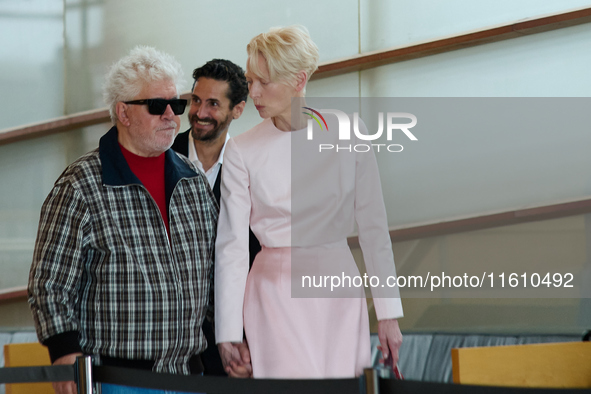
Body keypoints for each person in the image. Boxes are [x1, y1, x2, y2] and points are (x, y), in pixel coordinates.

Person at [215, 26, 404, 379]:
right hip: (273, 293)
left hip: (339, 288)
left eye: (264, 82)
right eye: (249, 80)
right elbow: (232, 247)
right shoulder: (241, 149)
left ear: (299, 80)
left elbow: (374, 229)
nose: (252, 92)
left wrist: (388, 315)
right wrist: (227, 333)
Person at [28, 46, 218, 394]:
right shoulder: (80, 185)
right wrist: (64, 351)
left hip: (189, 376)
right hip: (116, 381)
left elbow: (215, 275)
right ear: (124, 113)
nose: (171, 116)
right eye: (157, 105)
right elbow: (49, 283)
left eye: (177, 105)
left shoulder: (194, 180)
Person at [171, 59, 261, 377]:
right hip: (173, 334)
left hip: (234, 330)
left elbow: (254, 255)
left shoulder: (251, 164)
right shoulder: (163, 156)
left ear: (237, 109)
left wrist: (246, 336)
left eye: (213, 103)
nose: (200, 112)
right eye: (196, 100)